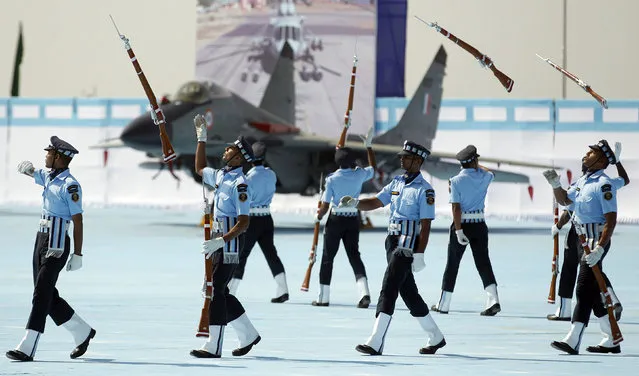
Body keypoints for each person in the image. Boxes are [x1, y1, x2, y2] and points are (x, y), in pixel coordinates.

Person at [343, 140, 446, 355]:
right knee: (408, 292)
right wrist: (355, 202)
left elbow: (426, 226)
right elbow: (376, 202)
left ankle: (376, 340)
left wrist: (419, 253)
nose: (401, 159)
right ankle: (435, 336)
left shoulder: (425, 191)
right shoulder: (397, 182)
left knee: (389, 286)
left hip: (407, 244)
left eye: (406, 157)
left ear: (418, 161)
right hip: (391, 240)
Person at [6, 136, 95, 362]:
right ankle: (82, 331)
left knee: (41, 294)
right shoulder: (49, 176)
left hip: (57, 241)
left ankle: (28, 345)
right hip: (41, 238)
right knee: (44, 292)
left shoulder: (70, 185)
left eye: (48, 153)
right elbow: (36, 173)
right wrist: (26, 170)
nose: (45, 155)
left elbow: (78, 220)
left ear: (58, 157)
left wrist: (78, 253)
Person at [543, 139, 623, 355]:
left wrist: (599, 248)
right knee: (593, 292)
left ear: (600, 160)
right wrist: (555, 185)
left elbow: (611, 220)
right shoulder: (583, 181)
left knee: (582, 288)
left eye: (590, 154)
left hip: (595, 242)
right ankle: (611, 338)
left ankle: (573, 339)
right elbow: (565, 203)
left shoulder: (603, 184)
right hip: (581, 240)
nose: (585, 156)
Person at [191, 114, 261, 358]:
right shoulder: (222, 175)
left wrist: (222, 240)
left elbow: (243, 222)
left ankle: (213, 344)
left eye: (231, 148)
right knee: (217, 289)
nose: (226, 150)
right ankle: (248, 334)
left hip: (230, 243)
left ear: (239, 156)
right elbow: (200, 168)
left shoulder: (240, 184)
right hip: (218, 238)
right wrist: (202, 138)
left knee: (215, 289)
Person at [431, 145, 500, 316]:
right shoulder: (484, 177)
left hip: (462, 224)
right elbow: (489, 171)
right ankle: (494, 300)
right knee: (483, 263)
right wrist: (477, 165)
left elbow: (456, 208)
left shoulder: (455, 181)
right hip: (479, 224)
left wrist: (458, 231)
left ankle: (444, 303)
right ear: (475, 161)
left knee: (452, 264)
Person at [312, 145, 375, 308]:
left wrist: (318, 216)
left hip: (336, 220)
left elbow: (325, 205)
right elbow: (372, 169)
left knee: (328, 258)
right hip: (353, 218)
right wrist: (369, 149)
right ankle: (364, 293)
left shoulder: (331, 179)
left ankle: (323, 297)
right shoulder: (359, 174)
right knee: (355, 256)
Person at [227, 141, 289, 303]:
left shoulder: (248, 178)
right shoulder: (272, 174)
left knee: (242, 254)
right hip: (267, 218)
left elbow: (244, 200)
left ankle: (231, 291)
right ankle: (283, 289)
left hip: (252, 219)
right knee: (271, 253)